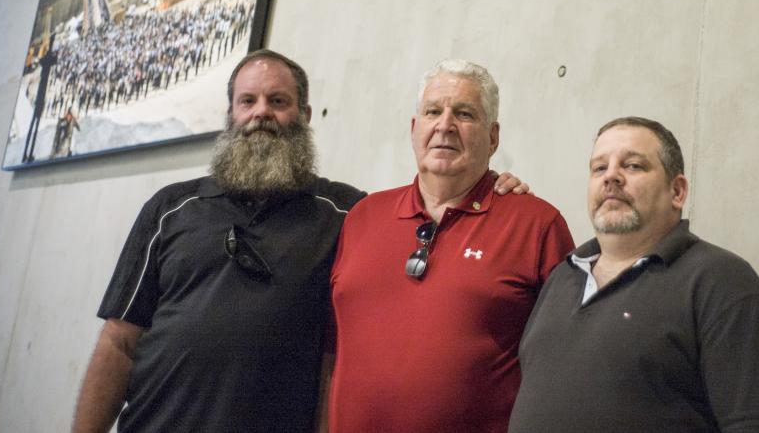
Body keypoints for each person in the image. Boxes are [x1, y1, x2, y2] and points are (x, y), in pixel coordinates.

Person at [71, 49, 527, 433]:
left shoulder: (351, 216)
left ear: (305, 116)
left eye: (278, 101)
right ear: (230, 115)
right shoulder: (170, 209)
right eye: (247, 101)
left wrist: (493, 190)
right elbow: (119, 342)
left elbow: (434, 221)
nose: (261, 113)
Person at [508, 116, 759, 433]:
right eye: (599, 168)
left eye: (633, 166)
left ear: (677, 191)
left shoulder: (723, 283)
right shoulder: (562, 278)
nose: (611, 177)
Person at [327, 60, 575, 433]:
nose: (445, 125)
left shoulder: (536, 225)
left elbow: (564, 366)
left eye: (464, 113)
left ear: (493, 137)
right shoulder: (362, 217)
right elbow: (329, 350)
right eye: (433, 112)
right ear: (414, 129)